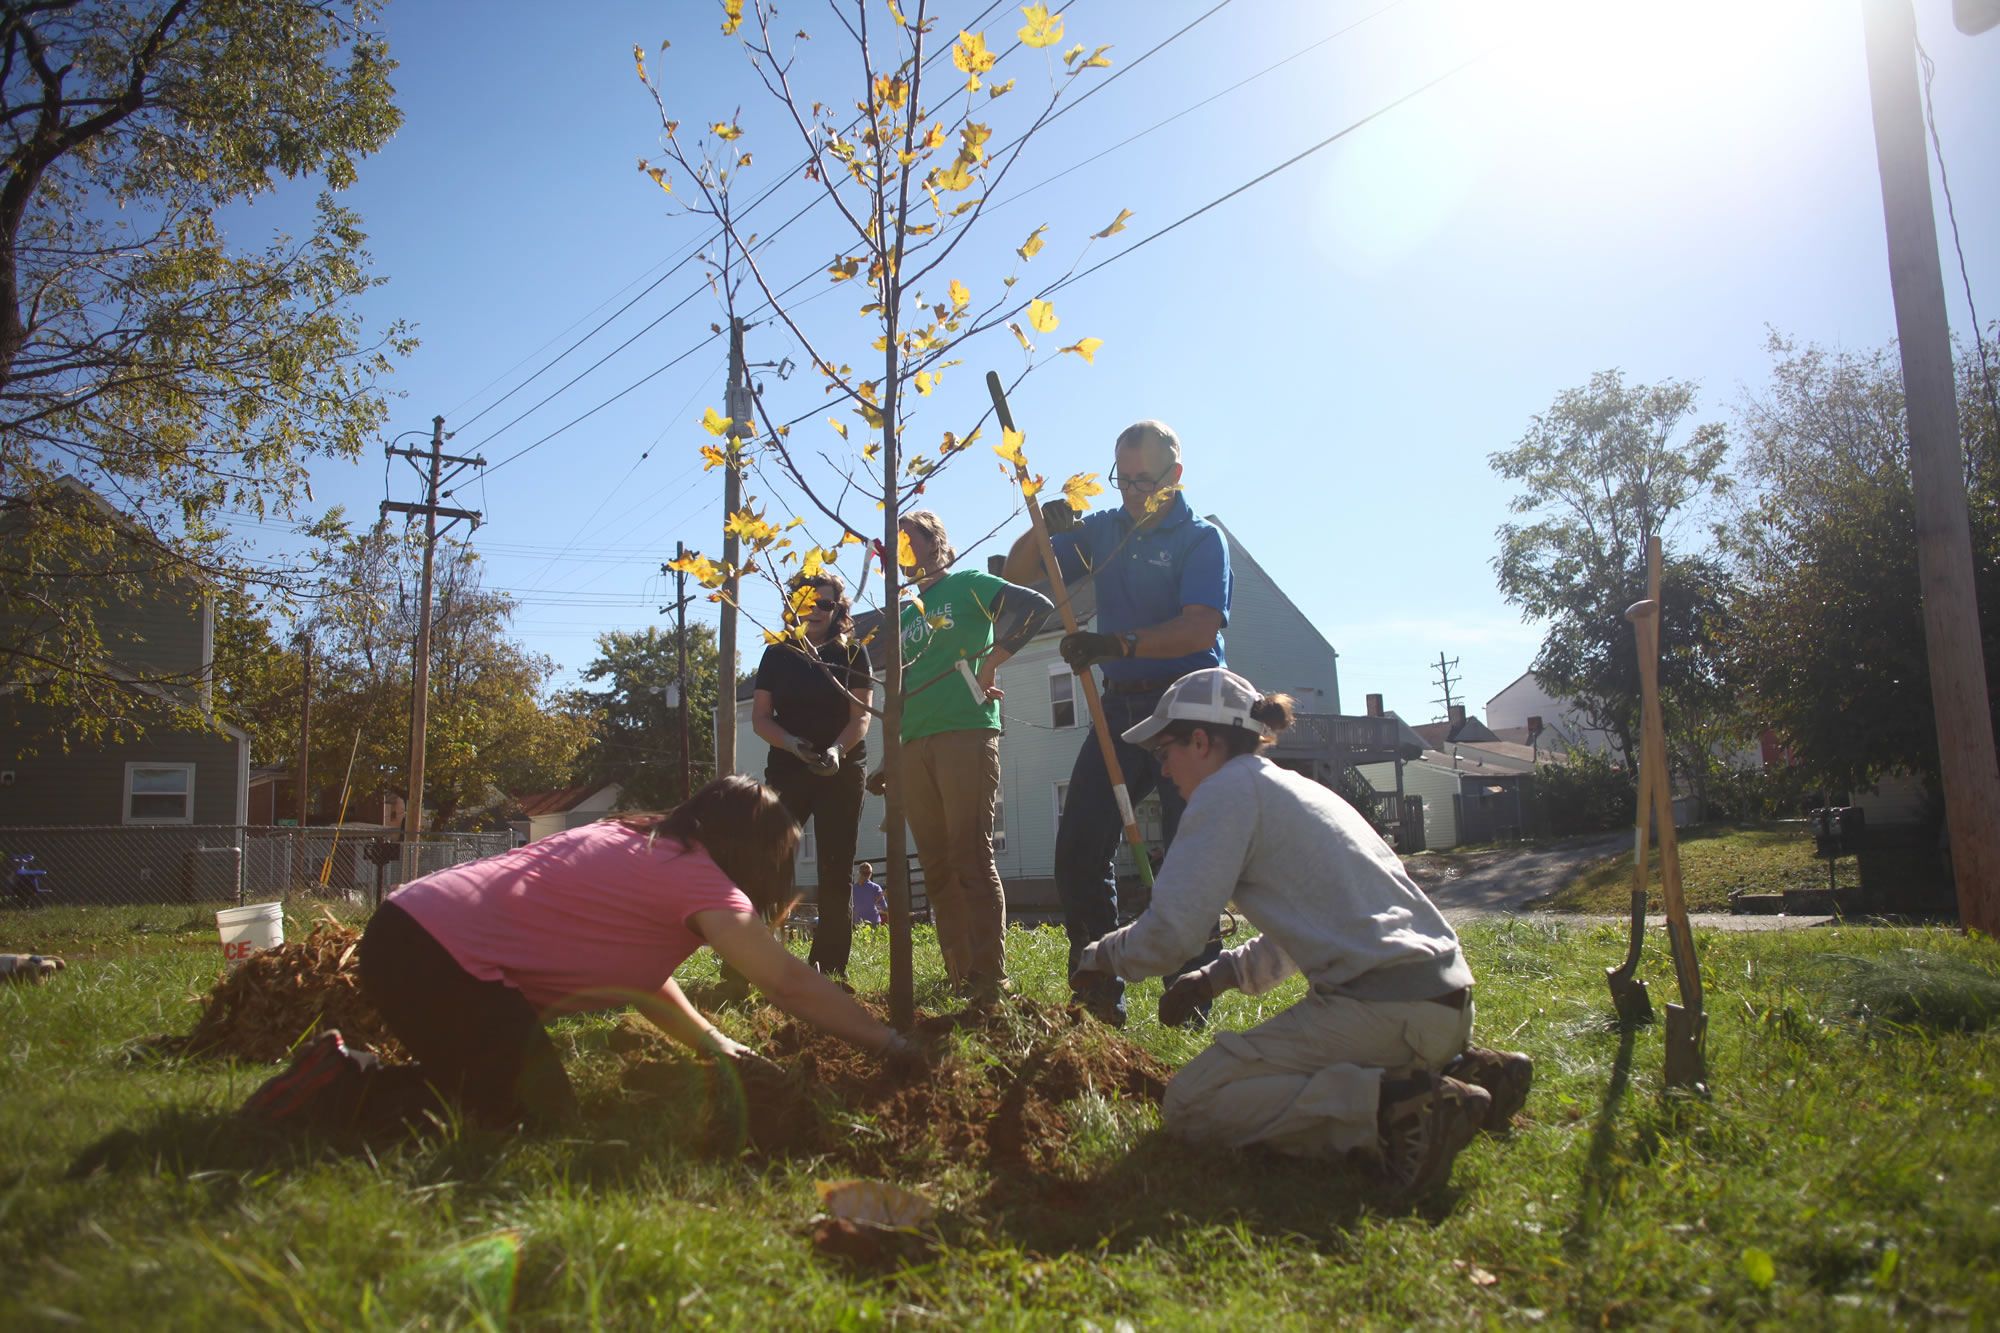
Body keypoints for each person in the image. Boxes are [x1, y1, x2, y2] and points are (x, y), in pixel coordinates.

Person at [1068, 669, 1533, 1197]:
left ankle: (1399, 1113)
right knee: (1257, 1077)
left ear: (1201, 741)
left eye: (1164, 749)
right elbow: (1309, 928)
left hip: (1382, 1008)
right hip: (1442, 1001)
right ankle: (1466, 1068)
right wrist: (1215, 978)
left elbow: (1171, 934)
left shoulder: (1224, 794)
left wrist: (1101, 956)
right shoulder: (1294, 790)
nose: (1163, 767)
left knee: (1191, 1103)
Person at [240, 776, 919, 1130]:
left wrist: (718, 1047)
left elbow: (643, 981)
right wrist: (888, 1043)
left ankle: (349, 1079)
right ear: (756, 853)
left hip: (411, 931)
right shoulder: (699, 878)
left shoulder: (642, 842)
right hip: (440, 960)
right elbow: (789, 982)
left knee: (509, 1094)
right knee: (534, 1117)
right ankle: (341, 1086)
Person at [1003, 419, 1231, 1027]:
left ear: (1175, 476)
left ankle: (1191, 993)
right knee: (1079, 844)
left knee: (1192, 853)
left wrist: (1115, 644)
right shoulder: (1106, 530)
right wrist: (1044, 528)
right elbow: (1024, 570)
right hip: (1123, 705)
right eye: (1122, 480)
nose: (1130, 493)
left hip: (1190, 706)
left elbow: (1199, 628)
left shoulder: (1201, 540)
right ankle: (1099, 988)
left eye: (1143, 481)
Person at [896, 509, 1052, 997]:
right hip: (913, 743)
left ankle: (991, 976)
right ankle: (959, 976)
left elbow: (1036, 607)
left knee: (968, 855)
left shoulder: (968, 583)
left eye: (910, 539)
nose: (902, 549)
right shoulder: (905, 613)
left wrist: (992, 662)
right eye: (895, 544)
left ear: (935, 543)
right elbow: (903, 687)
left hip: (964, 732)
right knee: (937, 864)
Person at [749, 571, 873, 978]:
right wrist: (791, 744)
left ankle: (828, 969)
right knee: (769, 859)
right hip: (788, 766)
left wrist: (836, 750)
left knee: (835, 868)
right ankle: (757, 962)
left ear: (838, 609)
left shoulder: (853, 653)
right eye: (808, 601)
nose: (816, 610)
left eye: (826, 603)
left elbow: (861, 718)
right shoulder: (779, 654)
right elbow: (761, 719)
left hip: (842, 767)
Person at [851, 862, 886, 927]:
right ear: (870, 873)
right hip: (874, 921)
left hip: (859, 922)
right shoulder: (875, 887)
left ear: (860, 873)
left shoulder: (853, 889)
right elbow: (884, 907)